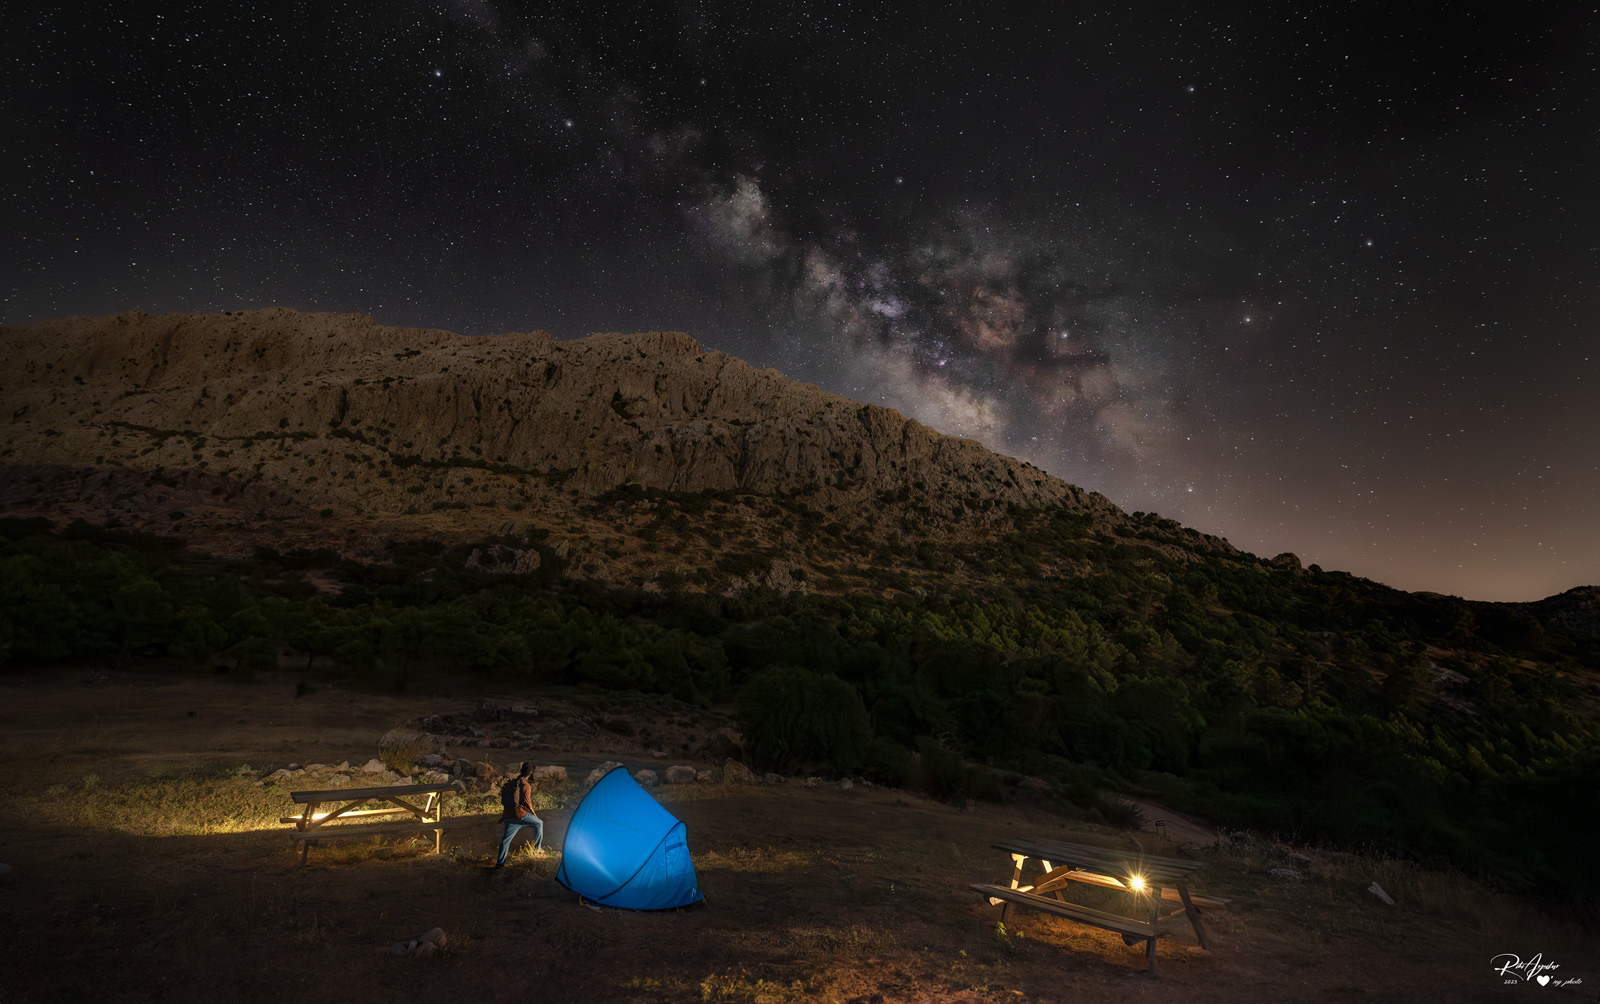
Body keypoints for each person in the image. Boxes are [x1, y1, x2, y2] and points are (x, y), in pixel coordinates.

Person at [495, 762, 543, 868]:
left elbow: (508, 802)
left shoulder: (513, 782)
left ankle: (499, 865)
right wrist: (534, 814)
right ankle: (538, 849)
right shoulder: (525, 784)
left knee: (505, 841)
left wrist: (503, 817)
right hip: (520, 816)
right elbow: (527, 802)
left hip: (509, 817)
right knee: (539, 823)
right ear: (530, 773)